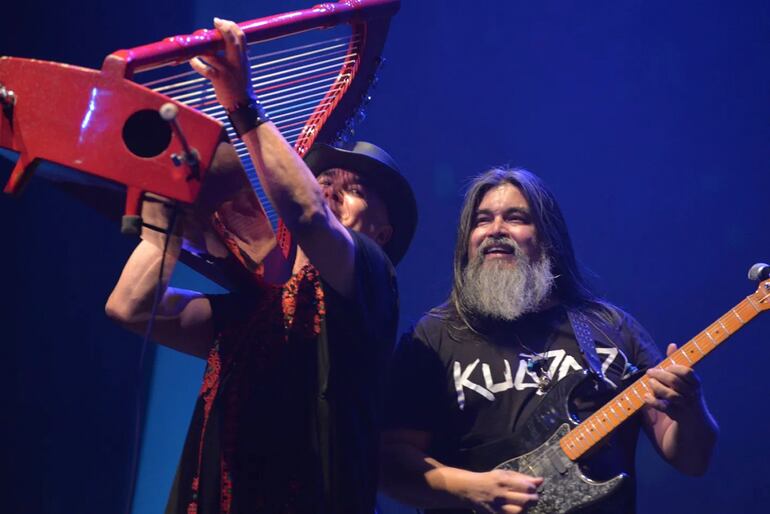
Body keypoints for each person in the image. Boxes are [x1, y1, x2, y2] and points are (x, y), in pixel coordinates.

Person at [105, 18, 417, 514]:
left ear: (381, 233)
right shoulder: (253, 311)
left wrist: (241, 105)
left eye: (353, 189)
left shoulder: (373, 282)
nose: (332, 191)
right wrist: (167, 223)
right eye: (325, 180)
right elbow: (129, 307)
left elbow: (309, 212)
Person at [380, 167, 717, 514]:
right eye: (482, 220)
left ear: (547, 237)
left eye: (515, 218)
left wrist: (691, 409)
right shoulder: (434, 335)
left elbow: (692, 461)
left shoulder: (610, 328)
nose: (496, 230)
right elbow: (391, 463)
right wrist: (473, 489)